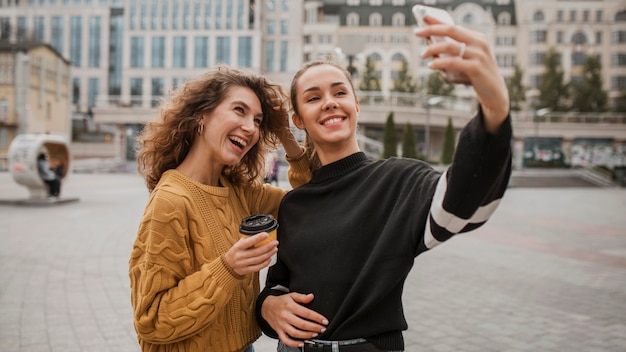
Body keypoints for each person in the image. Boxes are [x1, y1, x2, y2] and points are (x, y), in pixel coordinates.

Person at [256, 17, 513, 352]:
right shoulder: (294, 204)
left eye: (339, 92)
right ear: (299, 120)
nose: (330, 102)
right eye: (314, 97)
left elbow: (462, 204)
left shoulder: (399, 181)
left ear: (356, 104)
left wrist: (494, 109)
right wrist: (267, 306)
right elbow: (277, 284)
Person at [128, 65, 310, 352]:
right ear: (201, 114)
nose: (251, 128)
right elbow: (151, 320)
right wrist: (229, 268)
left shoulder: (239, 192)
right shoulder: (170, 201)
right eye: (239, 110)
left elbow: (311, 200)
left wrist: (286, 135)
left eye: (258, 121)